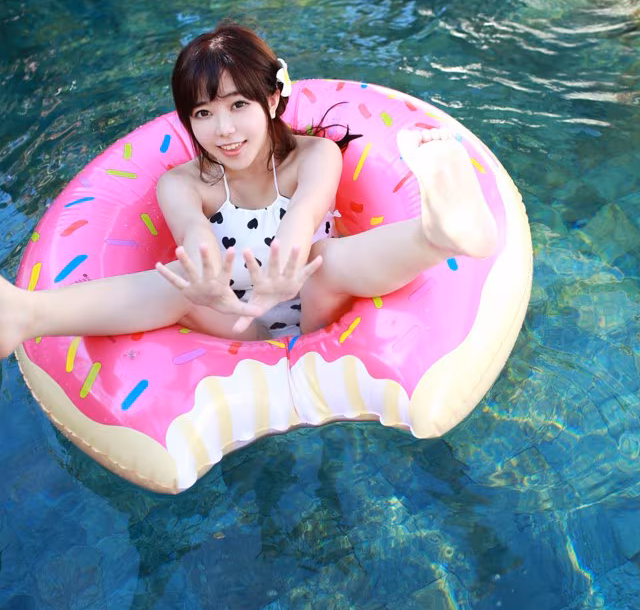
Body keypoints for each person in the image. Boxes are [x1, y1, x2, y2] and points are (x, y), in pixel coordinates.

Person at [0, 21, 497, 359]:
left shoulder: (314, 156)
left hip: (319, 305)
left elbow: (303, 220)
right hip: (233, 319)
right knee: (180, 279)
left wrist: (283, 276)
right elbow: (195, 237)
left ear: (274, 98)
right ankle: (24, 314)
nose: (224, 130)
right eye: (203, 113)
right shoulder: (181, 184)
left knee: (327, 257)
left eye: (238, 105)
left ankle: (439, 232)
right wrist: (213, 287)